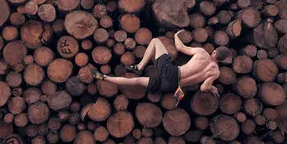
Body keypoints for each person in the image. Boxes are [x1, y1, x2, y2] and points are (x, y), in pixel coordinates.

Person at [92, 31, 230, 106]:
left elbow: (180, 48)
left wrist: (176, 36)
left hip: (172, 72)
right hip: (173, 86)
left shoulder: (202, 53)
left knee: (156, 41)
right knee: (137, 82)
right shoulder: (215, 72)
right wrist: (211, 87)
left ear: (215, 52)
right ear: (222, 60)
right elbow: (202, 88)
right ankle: (104, 78)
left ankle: (139, 66)